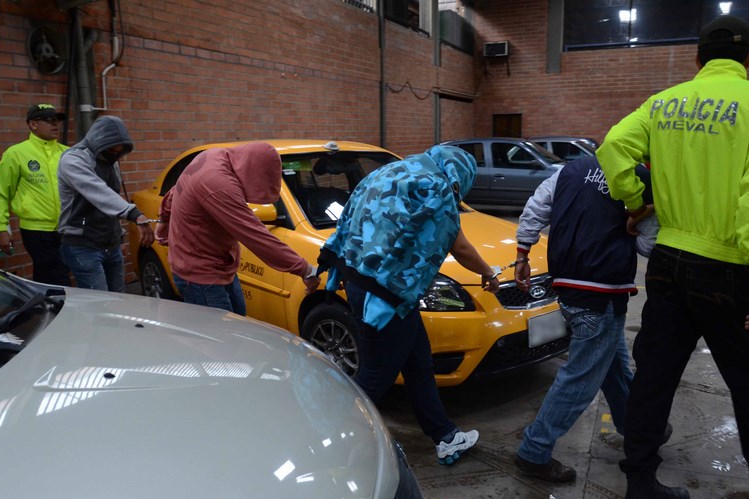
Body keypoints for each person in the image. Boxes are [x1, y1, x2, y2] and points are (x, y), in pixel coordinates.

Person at [597, 15, 749, 499]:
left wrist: (639, 199)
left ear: (697, 59)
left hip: (668, 262)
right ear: (748, 59)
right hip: (728, 269)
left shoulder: (663, 102)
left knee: (654, 377)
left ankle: (639, 487)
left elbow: (612, 146)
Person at [317, 145, 500, 465]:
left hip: (362, 281)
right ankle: (328, 443)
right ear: (459, 175)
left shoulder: (390, 173)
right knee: (374, 376)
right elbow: (459, 246)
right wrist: (488, 272)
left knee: (418, 364)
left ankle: (445, 436)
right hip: (387, 297)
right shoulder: (437, 189)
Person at [512, 156, 668, 482]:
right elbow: (647, 245)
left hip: (567, 285)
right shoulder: (642, 179)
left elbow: (536, 207)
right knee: (581, 376)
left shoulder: (571, 169)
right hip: (603, 291)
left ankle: (636, 427)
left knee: (612, 364)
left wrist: (523, 253)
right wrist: (634, 224)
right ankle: (534, 449)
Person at [153, 142, 319, 314]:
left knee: (238, 321)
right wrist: (305, 270)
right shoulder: (218, 184)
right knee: (223, 337)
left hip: (217, 265)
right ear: (251, 173)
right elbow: (255, 236)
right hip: (199, 275)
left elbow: (176, 189)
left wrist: (163, 220)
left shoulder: (212, 156)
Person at [58, 115, 154, 291]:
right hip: (82, 245)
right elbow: (99, 193)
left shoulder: (110, 160)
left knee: (118, 300)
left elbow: (113, 199)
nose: (116, 156)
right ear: (100, 143)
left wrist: (119, 238)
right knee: (99, 305)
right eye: (112, 151)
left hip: (110, 245)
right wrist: (136, 215)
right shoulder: (73, 160)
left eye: (119, 152)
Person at [0, 103, 71, 286]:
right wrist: (2, 227)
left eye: (57, 120)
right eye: (49, 121)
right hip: (37, 230)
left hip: (68, 227)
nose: (55, 125)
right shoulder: (16, 154)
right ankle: (58, 309)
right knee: (55, 276)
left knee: (56, 274)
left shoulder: (68, 153)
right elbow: (0, 192)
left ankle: (48, 308)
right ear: (33, 125)